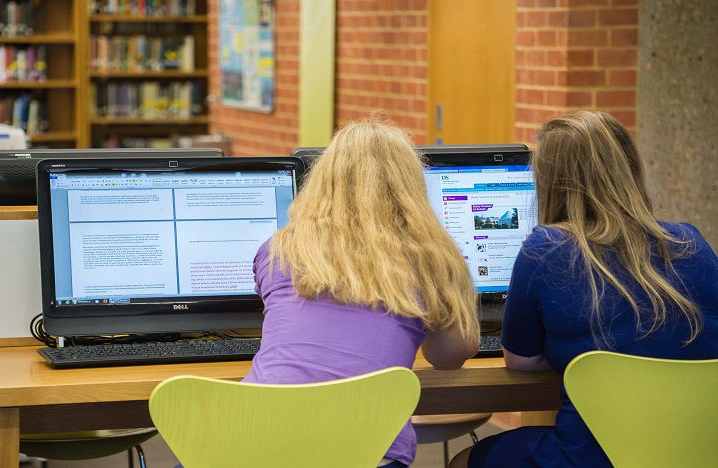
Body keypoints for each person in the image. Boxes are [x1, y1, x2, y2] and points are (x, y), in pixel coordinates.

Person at [451, 110, 718, 468]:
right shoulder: (691, 241)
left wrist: (567, 348)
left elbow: (519, 361)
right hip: (695, 450)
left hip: (592, 457)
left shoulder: (545, 248)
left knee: (466, 458)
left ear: (550, 181)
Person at [244, 118, 481, 467]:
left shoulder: (279, 248)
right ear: (410, 186)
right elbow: (450, 356)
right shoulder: (431, 256)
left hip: (254, 441)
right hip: (369, 452)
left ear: (324, 179)